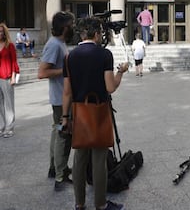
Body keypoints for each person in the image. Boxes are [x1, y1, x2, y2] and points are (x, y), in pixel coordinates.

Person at [61, 17, 129, 210]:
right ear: (97, 33)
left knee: (79, 159)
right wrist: (121, 72)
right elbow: (110, 87)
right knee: (99, 160)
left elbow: (66, 92)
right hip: (98, 110)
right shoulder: (104, 55)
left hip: (78, 112)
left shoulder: (69, 57)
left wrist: (65, 117)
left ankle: (79, 204)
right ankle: (100, 204)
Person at [38, 11, 75, 191]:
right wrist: (68, 70)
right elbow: (42, 72)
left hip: (61, 97)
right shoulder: (54, 45)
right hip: (61, 100)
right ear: (64, 27)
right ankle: (61, 175)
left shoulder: (60, 43)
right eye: (71, 24)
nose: (73, 28)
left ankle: (55, 168)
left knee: (57, 132)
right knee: (64, 135)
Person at [0, 23, 20, 138]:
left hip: (7, 77)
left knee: (8, 103)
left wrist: (13, 76)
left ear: (5, 33)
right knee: (0, 103)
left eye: (2, 31)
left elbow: (14, 61)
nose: (0, 33)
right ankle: (3, 125)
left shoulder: (10, 45)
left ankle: (9, 127)